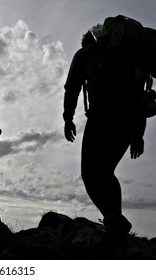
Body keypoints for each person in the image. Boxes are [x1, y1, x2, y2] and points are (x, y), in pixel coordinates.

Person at [63, 19, 153, 242]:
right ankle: (115, 221)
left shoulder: (85, 54)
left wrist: (68, 118)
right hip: (130, 119)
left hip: (103, 116)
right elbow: (140, 94)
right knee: (106, 171)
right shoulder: (133, 55)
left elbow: (72, 88)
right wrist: (139, 134)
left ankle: (114, 221)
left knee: (91, 174)